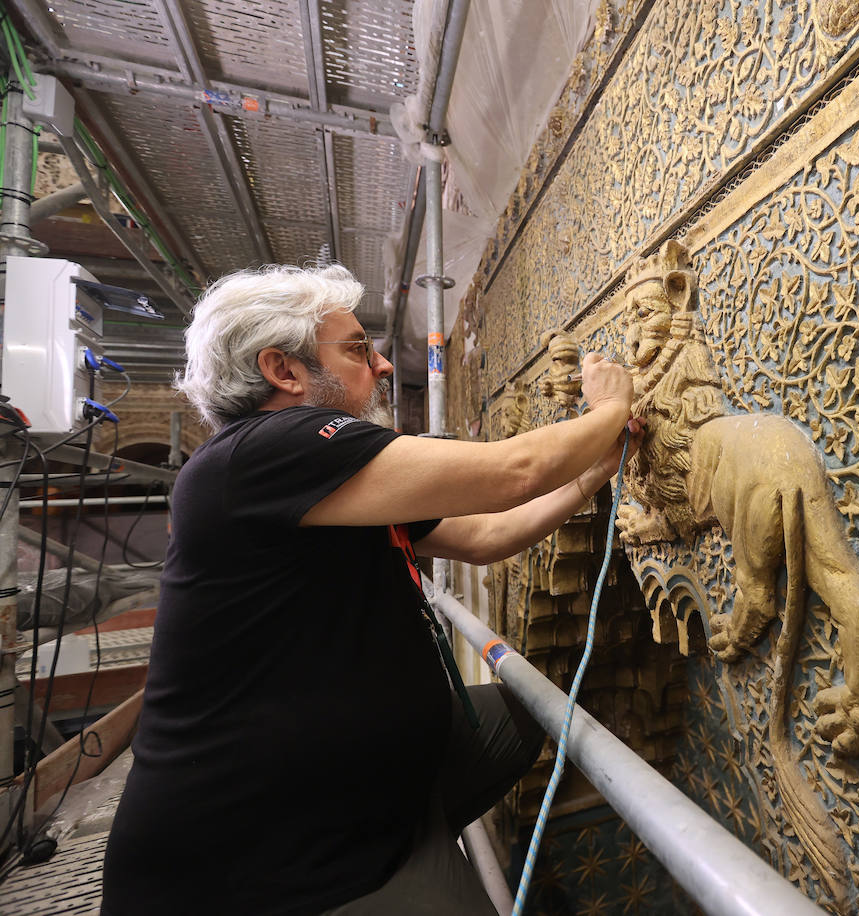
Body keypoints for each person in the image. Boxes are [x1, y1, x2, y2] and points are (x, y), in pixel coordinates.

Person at [100, 264, 641, 915]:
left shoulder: (327, 483)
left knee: (526, 715)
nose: (382, 365)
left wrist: (589, 475)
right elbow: (516, 471)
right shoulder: (263, 451)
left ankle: (409, 808)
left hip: (345, 785)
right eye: (358, 349)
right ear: (284, 370)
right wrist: (609, 408)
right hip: (272, 855)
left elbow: (485, 535)